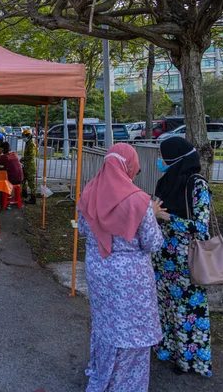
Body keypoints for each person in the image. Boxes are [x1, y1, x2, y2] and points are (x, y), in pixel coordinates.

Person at [78, 143, 165, 392]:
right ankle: (125, 385)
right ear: (130, 165)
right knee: (132, 332)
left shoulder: (89, 192)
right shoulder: (139, 200)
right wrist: (154, 216)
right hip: (131, 279)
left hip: (98, 269)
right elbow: (152, 242)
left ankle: (102, 373)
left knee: (106, 324)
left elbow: (84, 229)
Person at [153, 137, 213, 377]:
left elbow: (201, 227)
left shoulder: (197, 185)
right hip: (162, 258)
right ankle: (167, 351)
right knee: (165, 308)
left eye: (166, 158)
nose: (163, 162)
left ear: (178, 159)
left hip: (187, 261)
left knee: (187, 313)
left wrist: (168, 218)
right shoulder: (165, 181)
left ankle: (190, 362)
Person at [20, 129, 37, 204]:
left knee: (31, 183)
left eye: (24, 136)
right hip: (26, 166)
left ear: (29, 136)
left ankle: (33, 199)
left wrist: (23, 159)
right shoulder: (27, 143)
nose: (23, 138)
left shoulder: (31, 144)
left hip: (30, 166)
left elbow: (31, 156)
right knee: (23, 181)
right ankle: (24, 195)